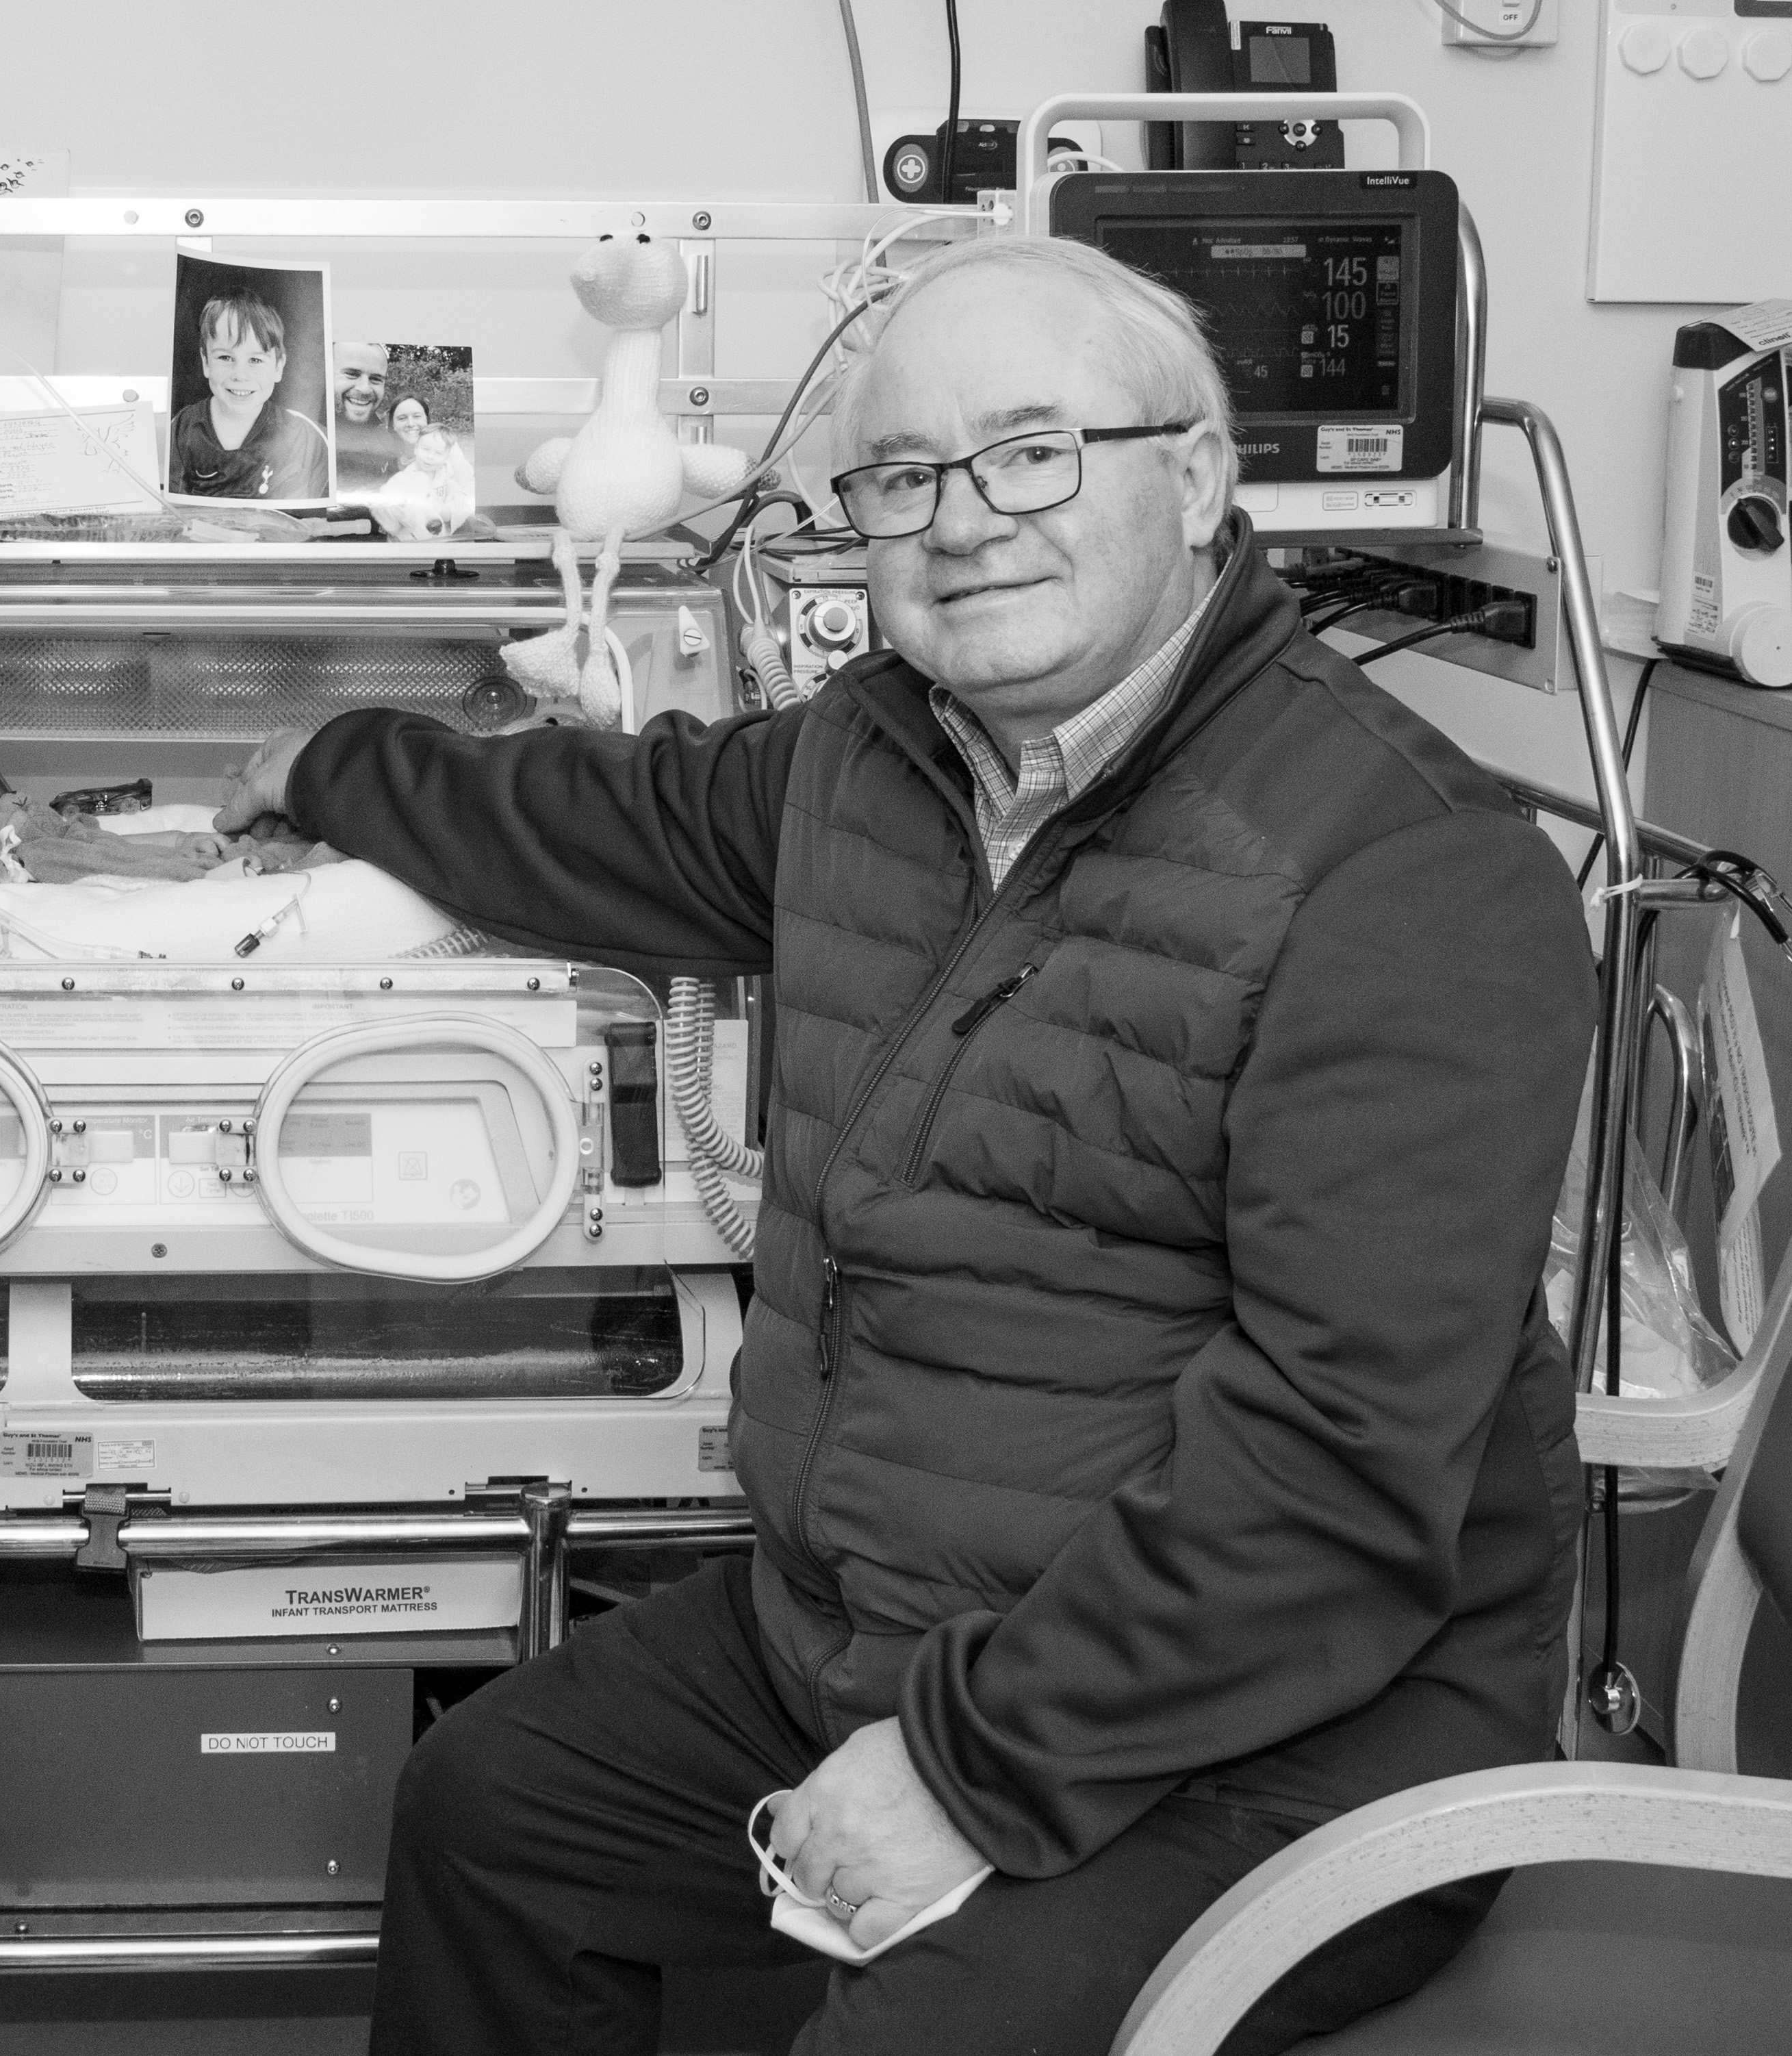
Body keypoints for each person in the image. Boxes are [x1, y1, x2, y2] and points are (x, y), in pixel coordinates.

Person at [216, 235, 1597, 2055]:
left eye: (1031, 453)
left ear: (1191, 479)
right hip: (868, 1625)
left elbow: (1333, 1484)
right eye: (898, 480)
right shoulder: (879, 755)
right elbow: (612, 816)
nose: (960, 521)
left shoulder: (1408, 876)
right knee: (497, 1817)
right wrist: (328, 762)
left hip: (1267, 1732)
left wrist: (965, 1766)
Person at [168, 290, 331, 500]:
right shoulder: (183, 429)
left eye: (255, 360)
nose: (240, 376)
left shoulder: (306, 437)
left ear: (278, 366)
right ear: (206, 362)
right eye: (225, 357)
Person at [333, 340, 402, 490]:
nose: (365, 389)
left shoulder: (384, 438)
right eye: (352, 374)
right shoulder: (307, 437)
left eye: (375, 379)